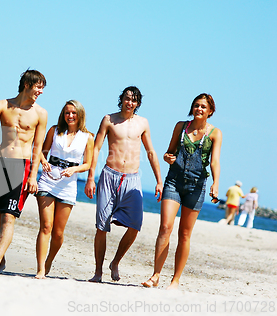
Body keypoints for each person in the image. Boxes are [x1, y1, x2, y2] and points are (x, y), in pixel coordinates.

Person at [142, 93, 222, 290]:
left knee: (185, 234)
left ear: (210, 111)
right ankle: (156, 275)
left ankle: (175, 280)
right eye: (196, 105)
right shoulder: (180, 127)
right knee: (165, 227)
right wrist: (168, 158)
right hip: (174, 182)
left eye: (203, 106)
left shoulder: (215, 133)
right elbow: (170, 152)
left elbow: (215, 161)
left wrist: (216, 184)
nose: (199, 109)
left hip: (197, 186)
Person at [85, 86, 163, 283]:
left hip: (132, 179)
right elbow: (96, 148)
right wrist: (90, 177)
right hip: (109, 175)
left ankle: (116, 262)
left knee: (135, 226)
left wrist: (159, 181)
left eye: (134, 100)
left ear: (138, 104)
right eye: (127, 98)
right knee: (102, 227)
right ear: (122, 99)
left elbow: (151, 152)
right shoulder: (109, 119)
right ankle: (98, 272)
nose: (130, 102)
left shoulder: (143, 123)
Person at [0, 69, 48, 275]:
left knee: (9, 216)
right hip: (0, 163)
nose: (41, 92)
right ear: (27, 84)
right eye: (39, 87)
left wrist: (33, 176)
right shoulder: (2, 104)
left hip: (22, 166)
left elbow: (38, 147)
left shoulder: (40, 114)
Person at [34, 100, 95, 279]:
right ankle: (40, 269)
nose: (70, 116)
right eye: (67, 112)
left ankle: (49, 260)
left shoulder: (87, 137)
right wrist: (43, 161)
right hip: (47, 181)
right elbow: (42, 151)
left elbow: (88, 163)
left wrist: (74, 169)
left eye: (73, 113)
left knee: (58, 232)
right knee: (46, 226)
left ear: (80, 115)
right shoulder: (54, 130)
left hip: (68, 186)